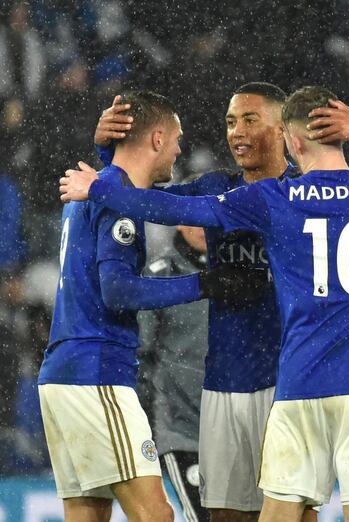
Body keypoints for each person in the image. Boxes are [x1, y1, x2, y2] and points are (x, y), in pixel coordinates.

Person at [60, 86, 349, 522]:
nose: (237, 132)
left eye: (250, 120)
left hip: (287, 386)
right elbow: (153, 189)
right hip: (237, 385)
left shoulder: (277, 198)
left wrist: (101, 181)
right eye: (231, 122)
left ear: (285, 134)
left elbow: (153, 203)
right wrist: (110, 151)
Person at [38, 91, 263, 522]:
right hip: (97, 372)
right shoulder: (113, 195)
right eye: (176, 139)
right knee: (157, 515)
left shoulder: (95, 186)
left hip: (62, 374)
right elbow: (118, 291)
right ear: (157, 138)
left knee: (87, 514)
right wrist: (205, 283)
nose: (179, 150)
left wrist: (105, 149)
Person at [137, 223, 212, 522]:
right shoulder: (159, 276)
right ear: (179, 221)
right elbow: (141, 353)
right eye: (194, 218)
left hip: (239, 427)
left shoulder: (243, 268)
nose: (203, 227)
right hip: (183, 433)